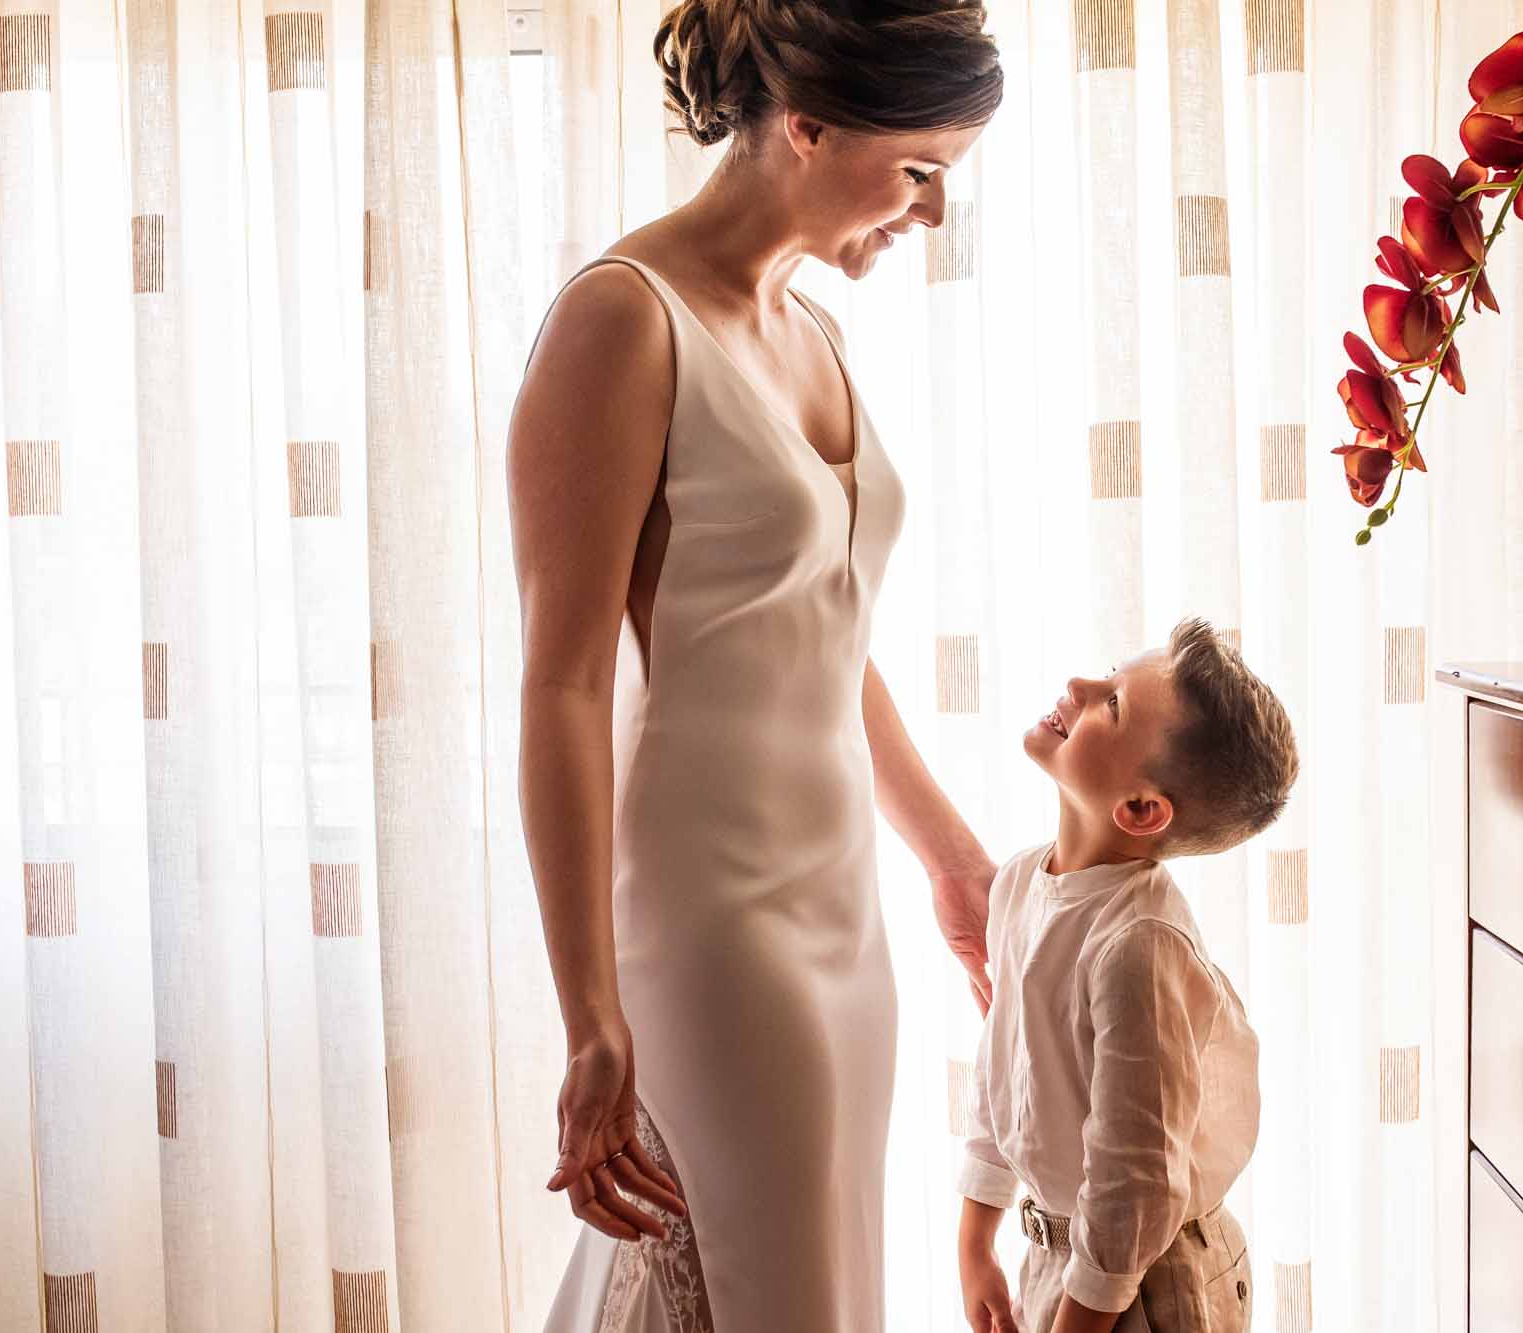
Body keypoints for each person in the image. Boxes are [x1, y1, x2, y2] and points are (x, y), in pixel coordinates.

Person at [505, 2, 1004, 1328]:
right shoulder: (621, 322)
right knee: (766, 1290)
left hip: (842, 910)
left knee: (823, 1287)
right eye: (920, 171)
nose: (931, 215)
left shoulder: (811, 330)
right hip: (711, 920)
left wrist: (948, 860)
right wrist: (589, 1016)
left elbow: (826, 639)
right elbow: (559, 685)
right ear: (808, 124)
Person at [956, 620, 1299, 1333]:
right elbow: (1002, 1075)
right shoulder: (1022, 882)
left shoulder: (1138, 948)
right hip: (1069, 1258)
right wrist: (975, 1234)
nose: (1079, 686)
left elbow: (1134, 1182)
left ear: (1141, 809)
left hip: (1149, 1281)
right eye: (1106, 677)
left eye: (1109, 702)